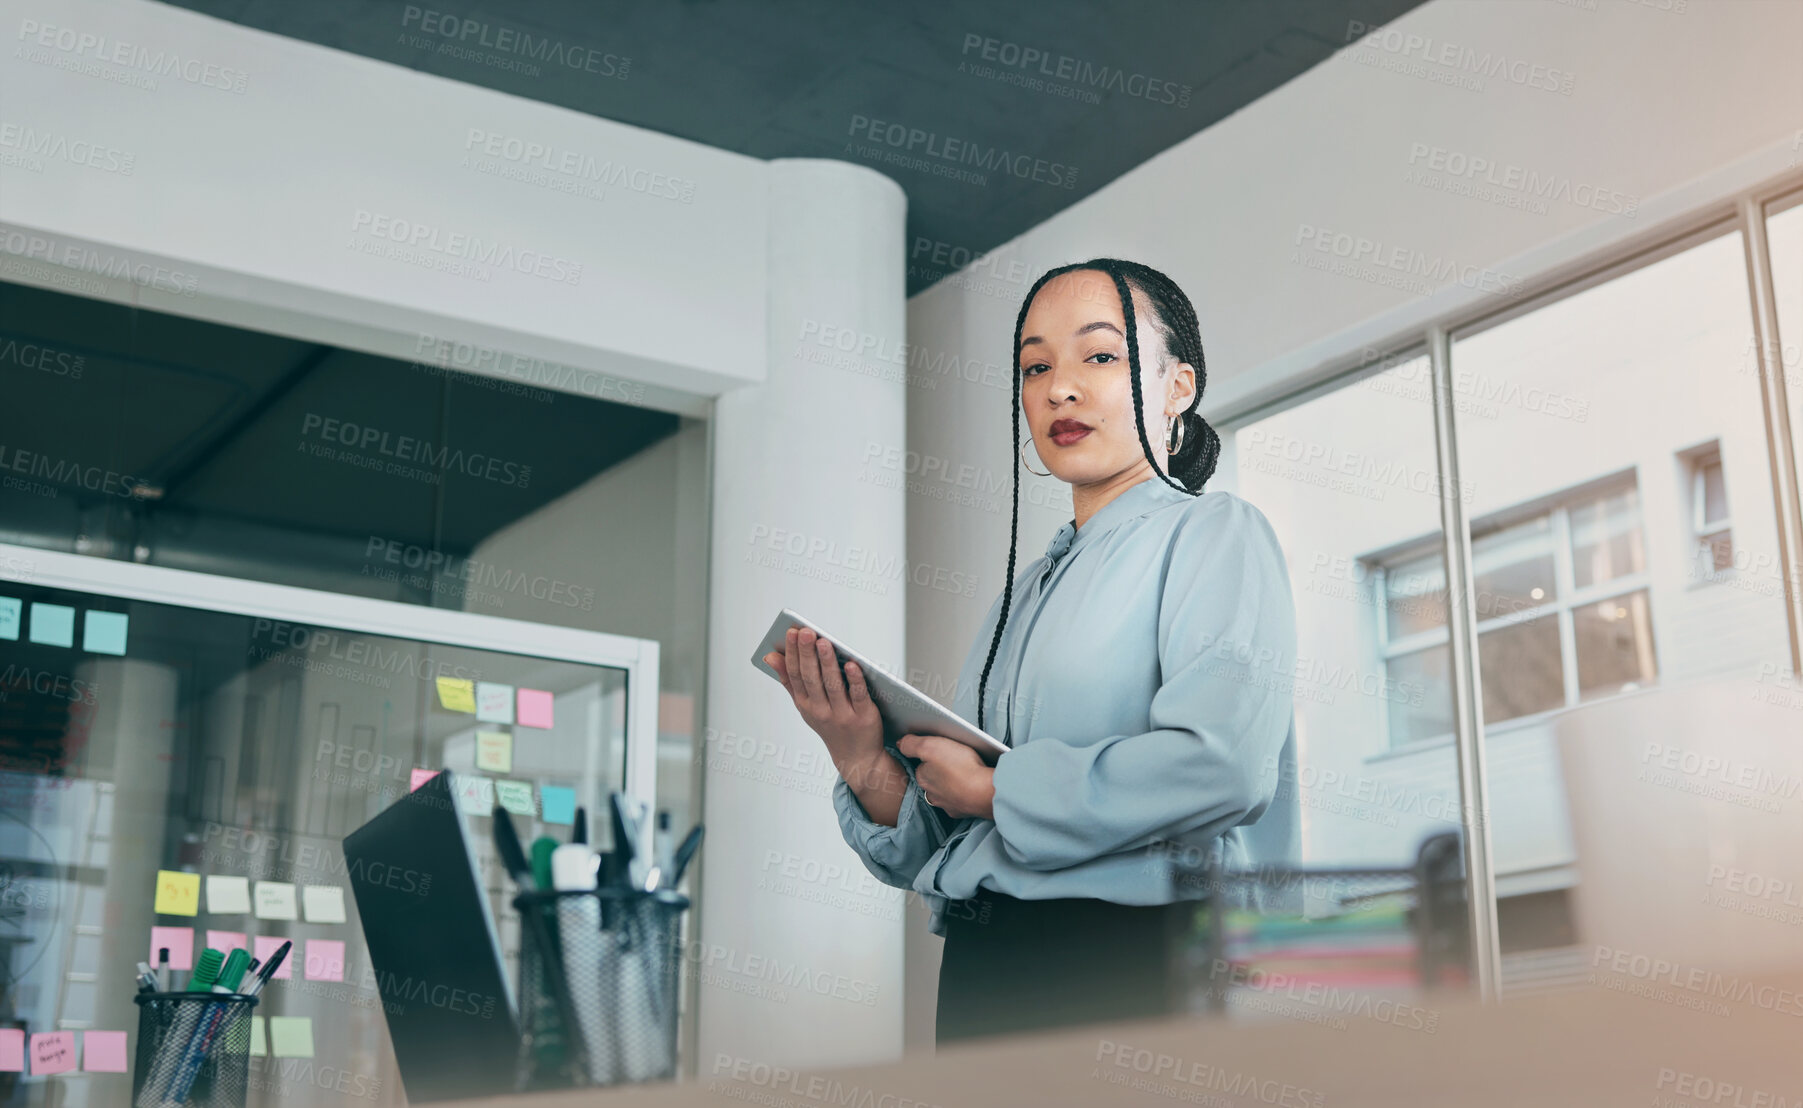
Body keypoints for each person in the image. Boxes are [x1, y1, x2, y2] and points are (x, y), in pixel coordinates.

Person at [761, 259, 1298, 1045]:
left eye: (1099, 356)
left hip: (1131, 953)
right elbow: (939, 842)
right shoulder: (1030, 587)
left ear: (1178, 385)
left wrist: (994, 790)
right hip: (990, 959)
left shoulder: (1216, 534)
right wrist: (857, 753)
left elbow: (1221, 766)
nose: (1059, 389)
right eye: (1035, 367)